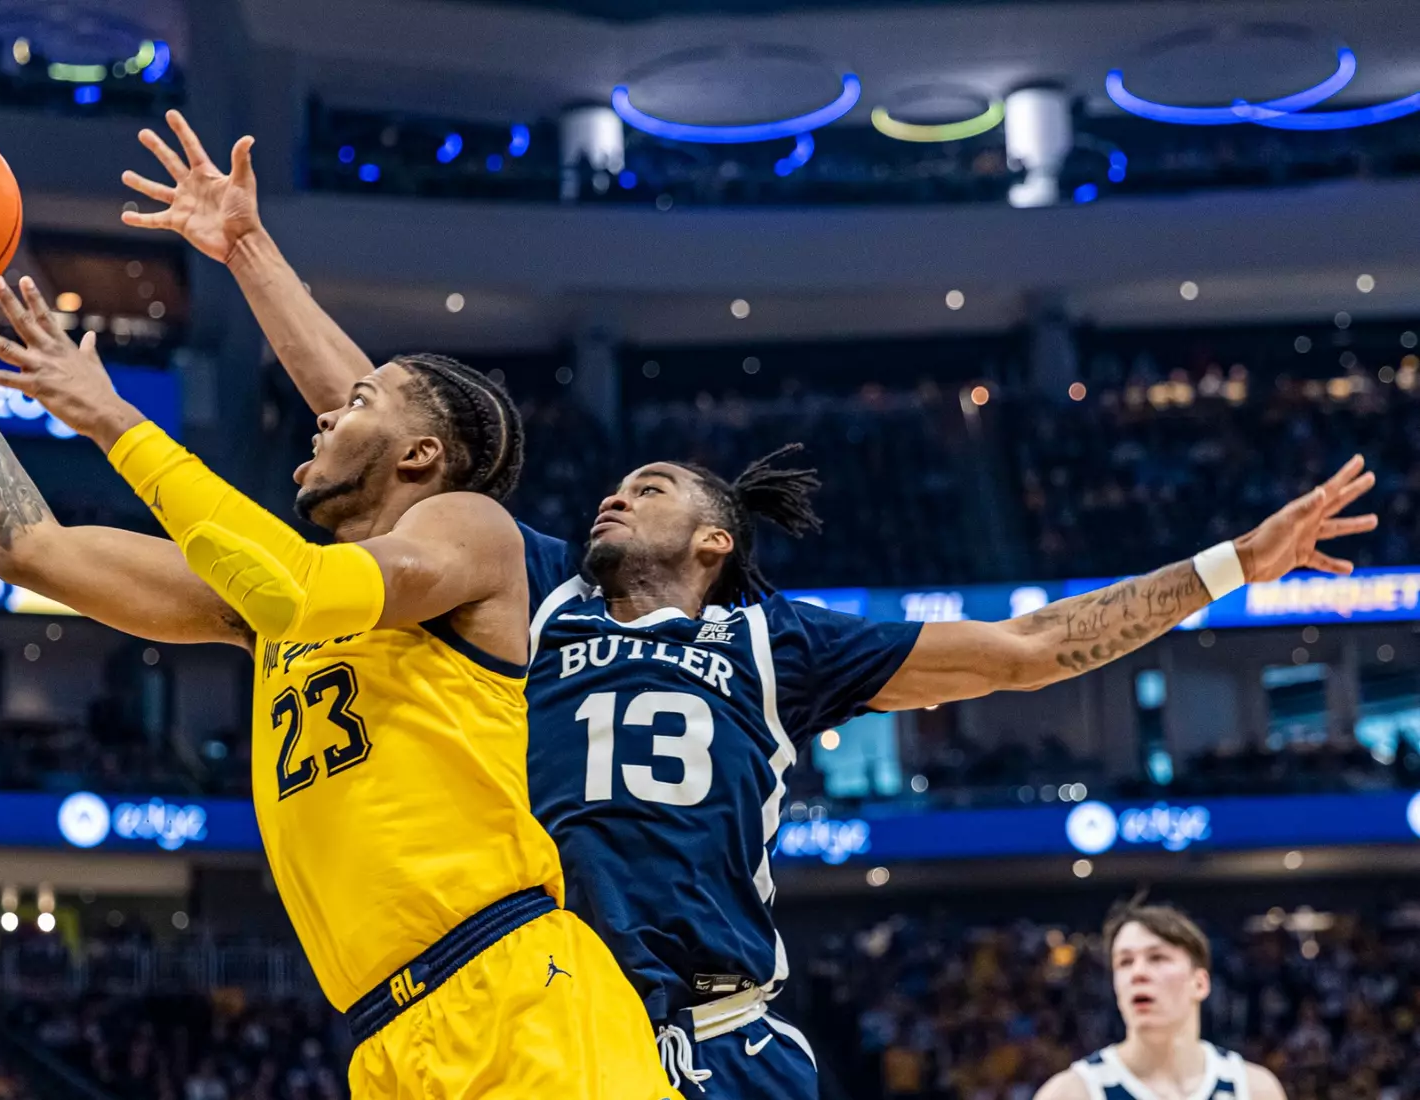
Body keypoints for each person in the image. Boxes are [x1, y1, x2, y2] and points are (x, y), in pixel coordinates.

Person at [117, 112, 1377, 1097]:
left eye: (650, 485)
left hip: (723, 1039)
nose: (616, 494)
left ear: (714, 539)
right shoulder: (546, 597)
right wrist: (250, 252)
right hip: (561, 1020)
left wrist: (1229, 566)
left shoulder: (774, 643)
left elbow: (1035, 646)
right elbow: (386, 426)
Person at [0, 253, 681, 1100]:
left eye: (354, 405)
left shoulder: (472, 532)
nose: (320, 420)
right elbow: (34, 551)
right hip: (388, 1038)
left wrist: (116, 422)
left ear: (421, 456)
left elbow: (300, 587)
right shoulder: (273, 613)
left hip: (519, 996)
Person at [1033, 902, 1288, 1100]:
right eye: (1125, 962)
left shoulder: (1254, 1089)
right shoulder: (1071, 1093)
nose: (1138, 973)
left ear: (1200, 983)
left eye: (1157, 958)